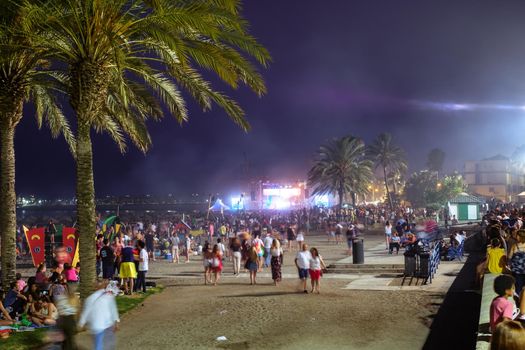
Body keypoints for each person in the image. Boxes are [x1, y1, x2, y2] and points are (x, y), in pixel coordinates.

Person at [78, 281, 120, 350]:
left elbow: (85, 313)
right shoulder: (108, 295)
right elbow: (113, 309)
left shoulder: (89, 299)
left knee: (98, 345)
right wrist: (117, 321)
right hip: (107, 325)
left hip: (96, 326)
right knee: (108, 344)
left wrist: (81, 323)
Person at [508, 230, 525, 295]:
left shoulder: (514, 246)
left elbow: (509, 257)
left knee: (518, 286)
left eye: (517, 235)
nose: (516, 236)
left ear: (521, 237)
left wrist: (509, 264)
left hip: (518, 271)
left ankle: (519, 299)